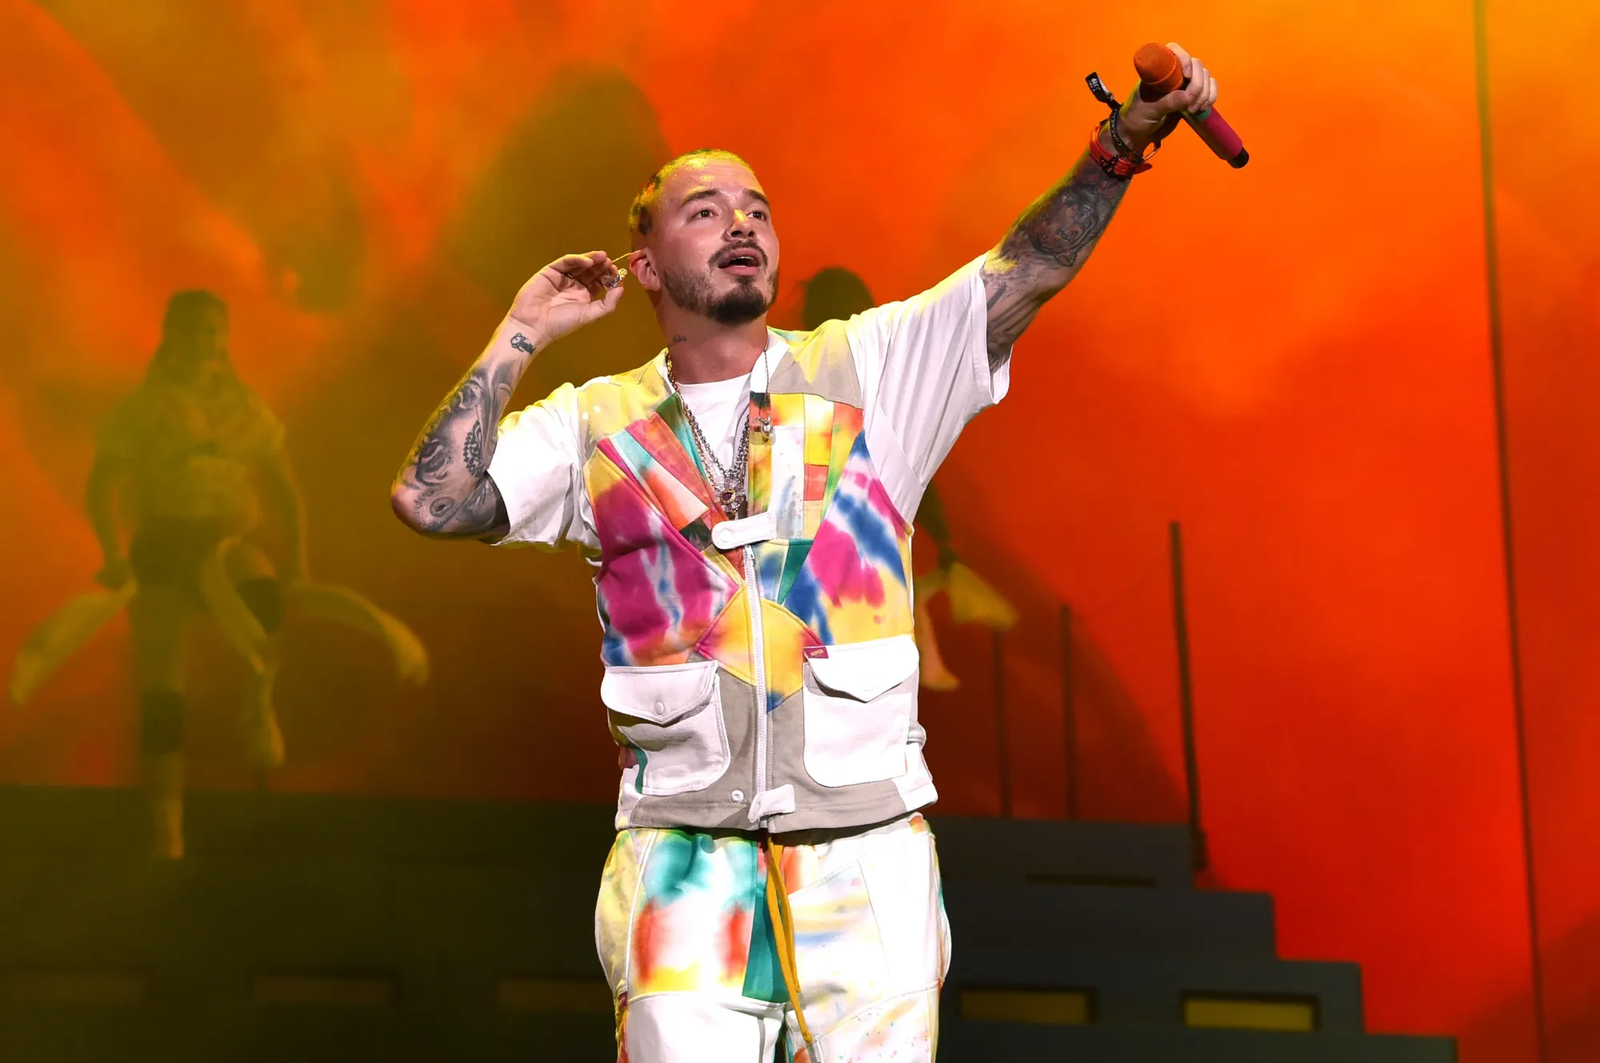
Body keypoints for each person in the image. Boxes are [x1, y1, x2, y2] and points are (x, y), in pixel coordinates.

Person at [391, 43, 1217, 1063]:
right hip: (682, 863)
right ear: (643, 264)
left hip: (864, 855)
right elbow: (431, 498)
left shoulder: (869, 368)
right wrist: (521, 331)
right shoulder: (594, 424)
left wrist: (1120, 144)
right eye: (705, 211)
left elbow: (1026, 267)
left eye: (757, 209)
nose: (741, 223)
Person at [88, 290, 304, 858]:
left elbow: (285, 490)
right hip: (164, 545)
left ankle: (258, 705)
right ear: (169, 336)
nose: (200, 341)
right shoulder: (143, 407)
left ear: (222, 339)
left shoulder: (242, 408)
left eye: (210, 330)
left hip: (224, 541)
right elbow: (101, 487)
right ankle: (168, 832)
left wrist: (298, 560)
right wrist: (112, 554)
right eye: (188, 329)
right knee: (163, 691)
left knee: (265, 603)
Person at [800, 268, 1017, 691]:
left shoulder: (810, 367)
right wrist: (944, 540)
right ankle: (921, 663)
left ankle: (920, 662)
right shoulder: (878, 362)